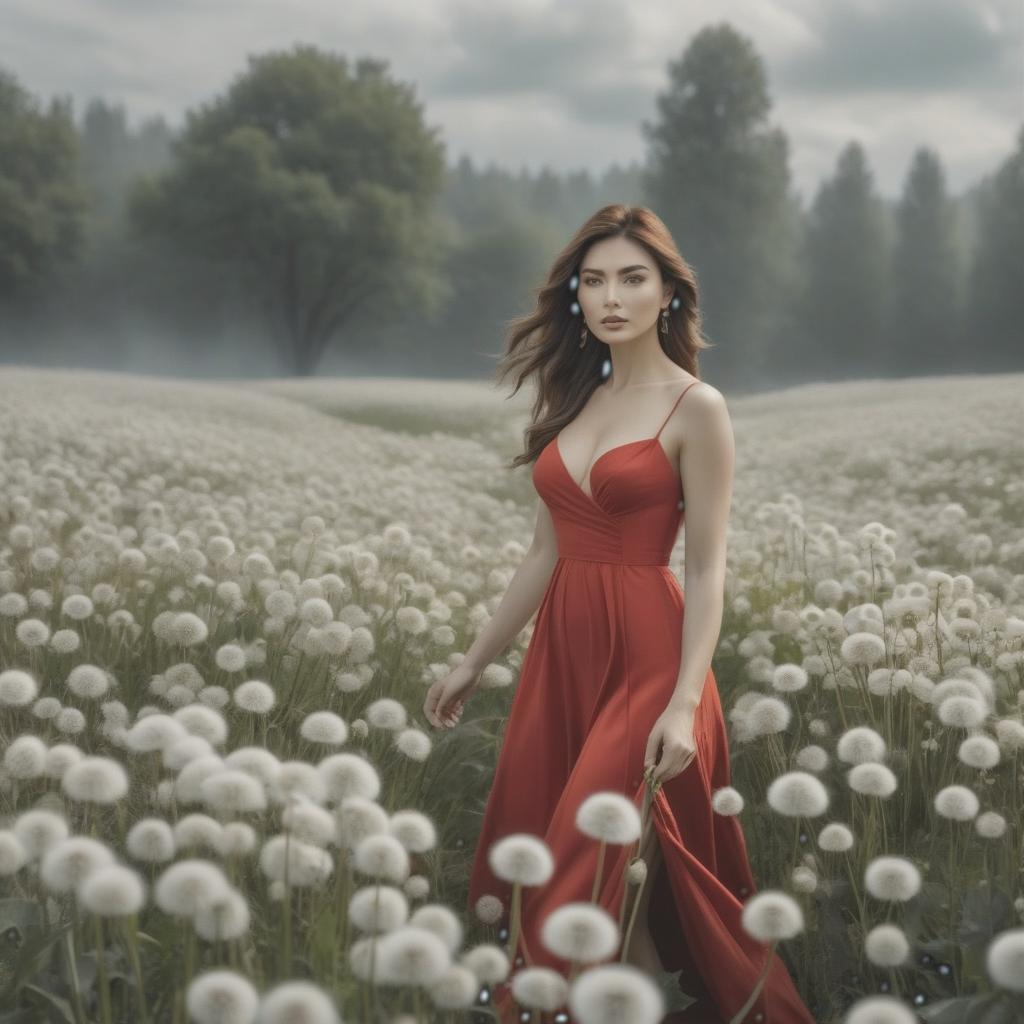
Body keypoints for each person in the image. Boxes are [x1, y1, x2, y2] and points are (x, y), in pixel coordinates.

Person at [423, 205, 815, 1023]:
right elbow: (544, 553)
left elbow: (706, 566)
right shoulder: (572, 399)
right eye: (593, 280)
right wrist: (474, 659)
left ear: (669, 292)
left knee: (578, 865)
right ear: (575, 297)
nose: (611, 296)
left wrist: (682, 702)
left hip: (650, 662)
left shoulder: (697, 407)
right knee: (606, 888)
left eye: (632, 279)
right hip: (562, 657)